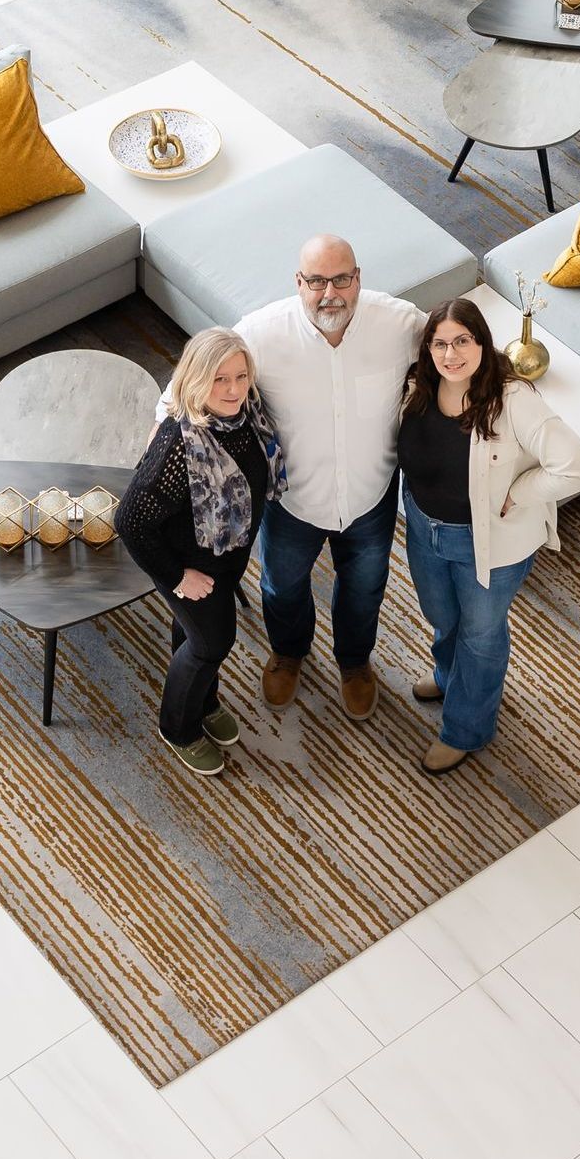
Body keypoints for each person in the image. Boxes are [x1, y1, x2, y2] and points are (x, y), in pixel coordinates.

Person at [398, 297, 580, 774]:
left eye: (462, 341)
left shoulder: (513, 400)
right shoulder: (418, 386)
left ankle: (466, 729)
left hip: (487, 542)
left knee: (481, 635)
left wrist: (525, 490)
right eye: (440, 344)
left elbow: (579, 466)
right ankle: (450, 677)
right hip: (424, 527)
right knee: (441, 615)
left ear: (482, 342)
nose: (451, 354)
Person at [234, 235, 427, 720]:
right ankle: (288, 652)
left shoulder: (400, 323)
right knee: (281, 586)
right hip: (293, 499)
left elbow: (460, 348)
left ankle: (355, 662)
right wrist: (162, 424)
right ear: (298, 283)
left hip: (370, 497)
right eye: (316, 281)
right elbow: (195, 378)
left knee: (365, 587)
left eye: (342, 279)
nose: (330, 293)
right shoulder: (261, 335)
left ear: (358, 278)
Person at [115, 328, 284, 778]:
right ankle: (179, 728)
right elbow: (129, 522)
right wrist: (176, 577)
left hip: (226, 553)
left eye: (240, 376)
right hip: (186, 563)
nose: (232, 390)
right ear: (194, 380)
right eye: (218, 380)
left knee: (193, 633)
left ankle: (205, 702)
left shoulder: (245, 413)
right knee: (213, 643)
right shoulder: (177, 445)